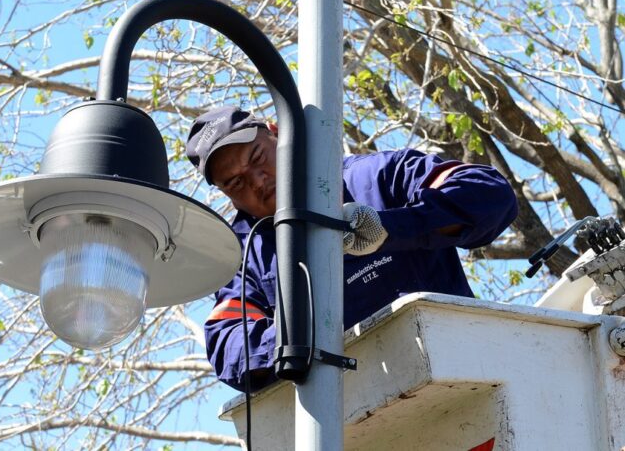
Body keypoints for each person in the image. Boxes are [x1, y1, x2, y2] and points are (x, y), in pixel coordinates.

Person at [185, 105, 518, 392]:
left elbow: (488, 194)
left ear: (277, 132)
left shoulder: (376, 177)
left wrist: (390, 228)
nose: (258, 181)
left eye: (257, 158)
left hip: (464, 374)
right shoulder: (246, 252)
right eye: (237, 183)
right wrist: (298, 333)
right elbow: (226, 340)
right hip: (353, 418)